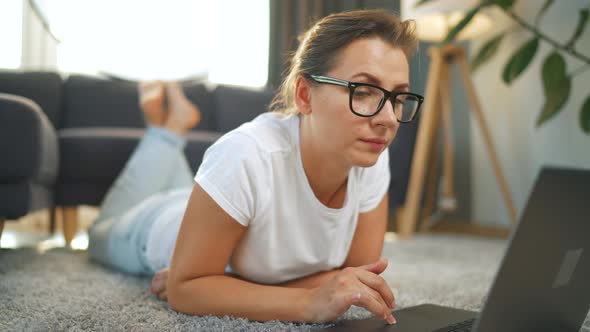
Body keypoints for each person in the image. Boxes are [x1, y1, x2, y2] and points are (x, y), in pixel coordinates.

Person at [88, 8, 422, 326]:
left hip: (215, 208)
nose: (388, 119)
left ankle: (168, 129)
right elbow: (186, 289)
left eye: (397, 98)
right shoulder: (246, 153)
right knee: (97, 233)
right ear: (305, 95)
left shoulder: (370, 154)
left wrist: (228, 286)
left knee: (187, 189)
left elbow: (355, 277)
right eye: (363, 92)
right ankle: (164, 130)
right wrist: (308, 302)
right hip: (152, 229)